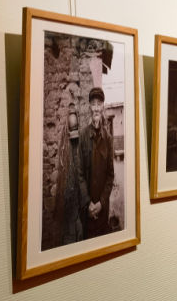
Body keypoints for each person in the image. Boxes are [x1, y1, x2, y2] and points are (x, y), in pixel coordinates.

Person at [77, 87, 114, 239]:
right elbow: (79, 174)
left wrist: (101, 203)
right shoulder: (83, 136)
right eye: (93, 104)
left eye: (99, 104)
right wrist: (88, 203)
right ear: (89, 107)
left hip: (102, 209)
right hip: (87, 210)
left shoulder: (108, 139)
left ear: (103, 107)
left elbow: (110, 175)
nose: (96, 108)